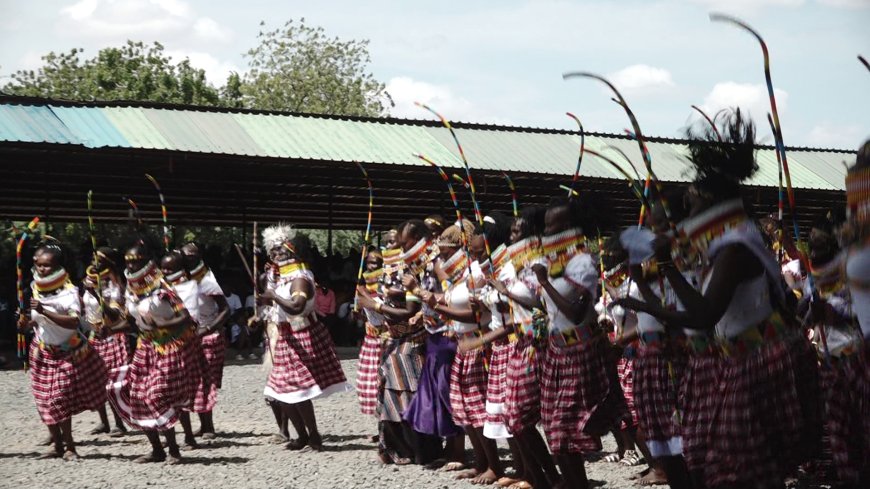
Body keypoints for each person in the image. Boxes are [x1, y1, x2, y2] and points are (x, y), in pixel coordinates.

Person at [622, 110, 811, 489]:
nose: (685, 214)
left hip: (758, 360)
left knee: (743, 469)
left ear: (711, 203)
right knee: (735, 465)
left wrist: (663, 266)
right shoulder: (727, 240)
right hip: (742, 357)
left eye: (690, 206)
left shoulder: (736, 244)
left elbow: (705, 315)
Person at [536, 197, 627, 489]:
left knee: (565, 425)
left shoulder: (583, 262)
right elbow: (546, 308)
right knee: (552, 425)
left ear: (570, 227)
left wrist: (546, 283)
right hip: (556, 350)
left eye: (553, 225)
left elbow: (575, 313)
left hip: (579, 351)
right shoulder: (553, 264)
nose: (547, 231)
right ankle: (573, 483)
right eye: (546, 225)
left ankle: (578, 483)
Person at [259, 224, 352, 451]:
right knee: (279, 392)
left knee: (296, 392)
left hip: (302, 336)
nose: (274, 255)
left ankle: (314, 436)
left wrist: (273, 297)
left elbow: (297, 306)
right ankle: (302, 436)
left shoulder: (300, 277)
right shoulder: (282, 277)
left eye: (278, 250)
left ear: (291, 251)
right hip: (285, 337)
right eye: (271, 250)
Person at [108, 243, 202, 464]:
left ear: (146, 261)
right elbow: (132, 322)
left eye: (136, 260)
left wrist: (161, 324)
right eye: (128, 261)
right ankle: (156, 449)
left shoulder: (163, 287)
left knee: (157, 395)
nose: (131, 264)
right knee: (137, 396)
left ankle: (174, 450)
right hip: (144, 349)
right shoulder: (131, 291)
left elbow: (185, 317)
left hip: (168, 349)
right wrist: (111, 328)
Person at [18, 240, 108, 460]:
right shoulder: (34, 288)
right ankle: (56, 445)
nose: (41, 269)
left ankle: (70, 447)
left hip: (68, 352)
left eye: (46, 265)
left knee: (59, 399)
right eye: (37, 264)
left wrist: (44, 311)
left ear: (58, 267)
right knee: (44, 400)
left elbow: (73, 322)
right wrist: (26, 324)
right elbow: (36, 322)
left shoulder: (69, 291)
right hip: (43, 351)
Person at [357, 219, 429, 465]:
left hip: (412, 340)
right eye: (387, 241)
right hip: (392, 340)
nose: (391, 245)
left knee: (410, 395)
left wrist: (375, 303)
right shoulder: (387, 270)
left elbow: (410, 309)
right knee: (388, 394)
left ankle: (419, 450)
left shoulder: (413, 267)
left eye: (395, 241)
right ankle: (394, 449)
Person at [181, 243, 230, 439]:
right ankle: (203, 425)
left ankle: (208, 426)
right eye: (185, 257)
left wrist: (208, 328)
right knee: (192, 381)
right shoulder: (181, 281)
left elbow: (226, 310)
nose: (188, 260)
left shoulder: (207, 280)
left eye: (192, 256)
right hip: (188, 337)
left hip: (209, 336)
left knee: (204, 381)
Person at [81, 246, 129, 437]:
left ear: (108, 263)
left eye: (99, 260)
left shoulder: (115, 285)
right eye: (93, 259)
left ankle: (119, 423)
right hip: (94, 336)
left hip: (113, 336)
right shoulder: (88, 282)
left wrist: (96, 295)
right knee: (96, 381)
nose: (94, 263)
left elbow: (116, 314)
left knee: (113, 382)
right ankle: (104, 422)